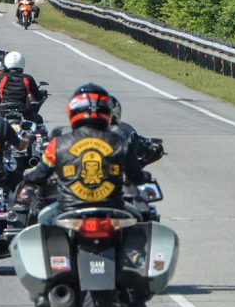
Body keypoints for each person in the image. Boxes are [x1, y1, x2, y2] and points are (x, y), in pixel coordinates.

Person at [23, 83, 147, 213]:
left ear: (73, 110)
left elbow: (40, 174)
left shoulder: (57, 144)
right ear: (108, 111)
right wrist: (145, 176)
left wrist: (26, 178)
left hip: (69, 210)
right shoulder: (121, 143)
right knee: (140, 215)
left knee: (38, 217)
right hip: (111, 211)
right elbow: (136, 177)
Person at [0, 52, 46, 123]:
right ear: (22, 63)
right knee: (39, 119)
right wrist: (42, 94)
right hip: (23, 112)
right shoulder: (28, 78)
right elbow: (38, 97)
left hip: (3, 112)